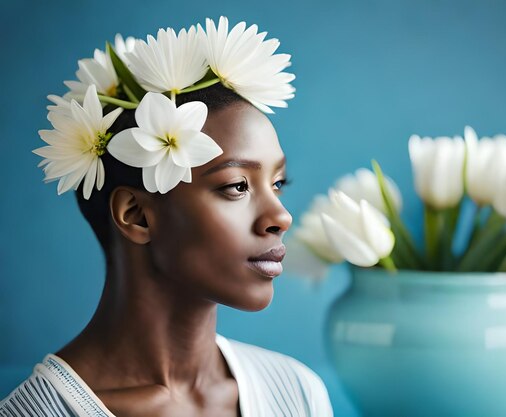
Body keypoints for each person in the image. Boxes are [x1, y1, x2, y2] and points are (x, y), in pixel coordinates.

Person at [0, 17, 334, 417]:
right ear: (137, 215)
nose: (281, 216)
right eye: (237, 186)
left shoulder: (297, 394)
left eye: (278, 183)